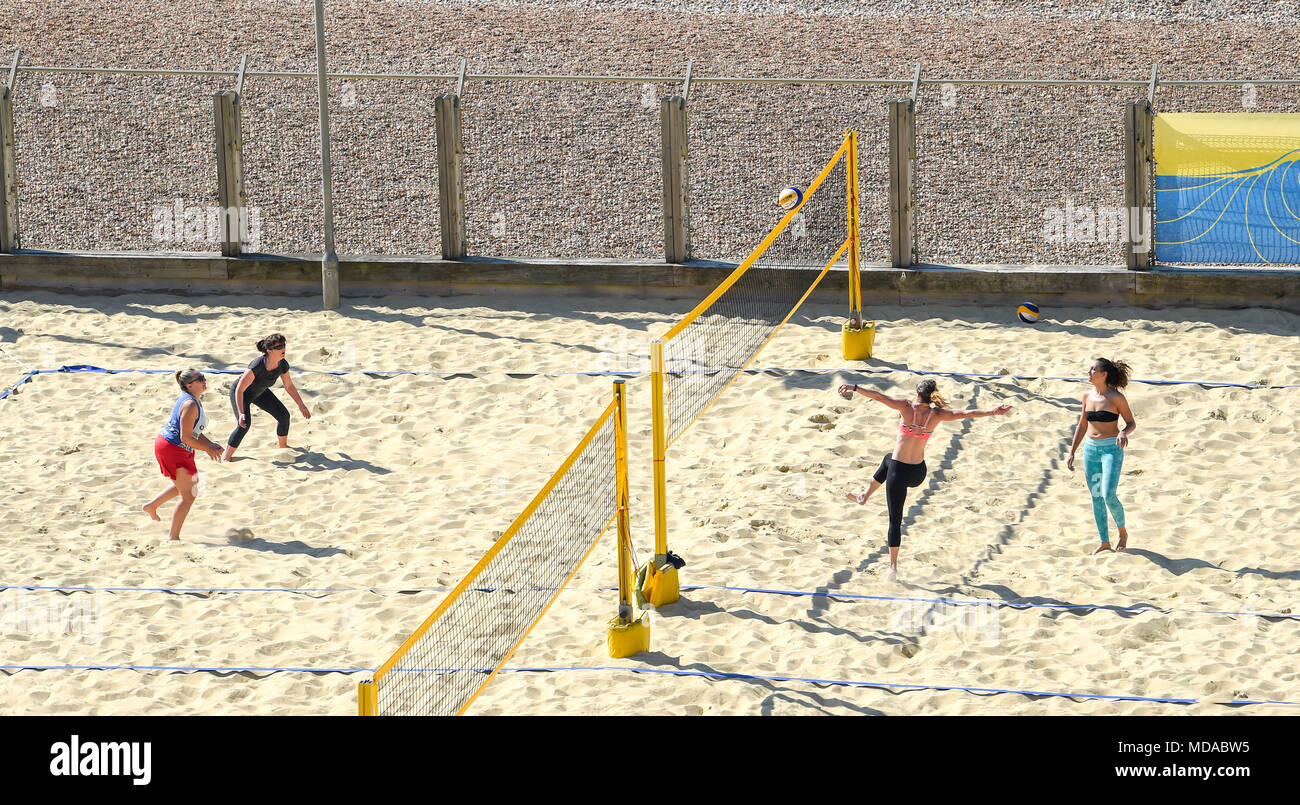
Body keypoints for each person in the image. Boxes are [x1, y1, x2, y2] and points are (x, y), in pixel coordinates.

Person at [838, 378, 1013, 579]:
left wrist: (855, 387)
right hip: (918, 473)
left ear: (916, 392)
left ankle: (893, 566)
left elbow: (879, 397)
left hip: (899, 472)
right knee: (887, 459)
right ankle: (863, 496)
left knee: (895, 520)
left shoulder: (905, 407)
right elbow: (966, 413)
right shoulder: (937, 414)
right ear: (931, 395)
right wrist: (993, 411)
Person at [143, 369, 224, 540]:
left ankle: (152, 506)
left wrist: (209, 444)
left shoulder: (195, 401)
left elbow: (192, 431)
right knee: (189, 495)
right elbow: (185, 437)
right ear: (189, 385)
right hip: (172, 448)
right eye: (200, 378)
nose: (204, 380)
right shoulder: (190, 404)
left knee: (189, 483)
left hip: (174, 446)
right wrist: (207, 449)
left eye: (203, 377)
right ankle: (173, 537)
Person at [1067, 357, 1136, 554]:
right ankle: (1104, 541)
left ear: (1103, 374)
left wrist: (1123, 431)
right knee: (1096, 497)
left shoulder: (1116, 398)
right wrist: (1072, 452)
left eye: (1093, 369)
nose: (1089, 372)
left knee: (1108, 494)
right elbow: (1082, 425)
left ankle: (1122, 533)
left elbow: (1131, 422)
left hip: (1111, 449)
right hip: (1090, 449)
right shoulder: (1087, 396)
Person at [223, 333, 311, 461]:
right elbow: (240, 389)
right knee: (244, 424)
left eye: (284, 345)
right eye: (279, 347)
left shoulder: (282, 364)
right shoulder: (257, 365)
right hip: (242, 394)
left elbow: (289, 386)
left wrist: (301, 404)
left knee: (284, 416)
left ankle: (283, 447)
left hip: (260, 392)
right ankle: (226, 457)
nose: (283, 349)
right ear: (269, 350)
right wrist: (241, 413)